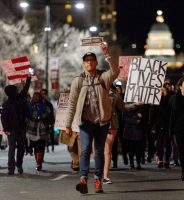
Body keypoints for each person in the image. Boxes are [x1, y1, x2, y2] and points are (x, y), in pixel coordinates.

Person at [65, 42, 119, 194]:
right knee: (86, 149)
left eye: (92, 60)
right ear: (83, 64)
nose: (89, 62)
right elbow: (72, 103)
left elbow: (115, 71)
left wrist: (107, 52)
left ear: (96, 62)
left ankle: (97, 179)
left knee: (99, 151)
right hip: (85, 122)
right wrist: (68, 124)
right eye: (86, 60)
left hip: (102, 122)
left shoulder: (104, 78)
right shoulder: (78, 81)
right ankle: (83, 179)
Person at [103, 84, 139, 184]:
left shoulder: (115, 94)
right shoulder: (93, 89)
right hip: (96, 123)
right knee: (98, 150)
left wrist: (136, 104)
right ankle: (98, 174)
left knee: (107, 150)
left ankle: (105, 176)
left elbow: (123, 107)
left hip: (111, 122)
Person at [1, 76, 31, 175]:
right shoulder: (15, 101)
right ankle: (15, 166)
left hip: (17, 129)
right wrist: (28, 80)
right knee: (16, 148)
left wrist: (28, 79)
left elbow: (3, 118)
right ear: (13, 92)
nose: (18, 91)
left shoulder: (10, 103)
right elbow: (3, 118)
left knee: (15, 148)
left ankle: (14, 166)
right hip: (16, 129)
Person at [26, 92, 52, 171]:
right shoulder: (29, 106)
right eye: (34, 96)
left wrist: (41, 116)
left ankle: (39, 163)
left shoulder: (44, 106)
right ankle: (37, 162)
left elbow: (49, 113)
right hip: (32, 129)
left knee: (40, 146)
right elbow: (27, 115)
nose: (35, 98)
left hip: (42, 129)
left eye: (37, 96)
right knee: (35, 147)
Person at [40, 89, 55, 153]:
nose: (43, 95)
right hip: (40, 123)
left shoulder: (49, 104)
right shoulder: (37, 103)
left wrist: (52, 122)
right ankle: (45, 147)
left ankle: (50, 146)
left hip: (48, 122)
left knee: (49, 135)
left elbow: (51, 114)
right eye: (41, 94)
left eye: (44, 94)